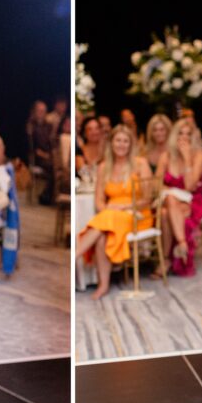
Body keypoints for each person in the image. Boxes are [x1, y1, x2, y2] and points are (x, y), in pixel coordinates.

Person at [75, 125, 153, 299]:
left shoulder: (141, 164)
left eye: (126, 141)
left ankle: (75, 255)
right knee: (102, 235)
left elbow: (147, 198)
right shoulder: (104, 167)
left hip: (138, 214)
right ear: (112, 143)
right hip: (111, 216)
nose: (121, 145)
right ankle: (103, 284)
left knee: (108, 219)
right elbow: (99, 201)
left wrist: (125, 207)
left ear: (131, 144)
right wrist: (108, 209)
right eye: (118, 140)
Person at [155, 117, 202, 276]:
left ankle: (165, 260)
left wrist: (186, 159)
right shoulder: (166, 156)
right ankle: (181, 244)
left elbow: (191, 186)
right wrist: (167, 190)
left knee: (164, 215)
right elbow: (155, 184)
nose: (184, 137)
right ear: (174, 136)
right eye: (180, 133)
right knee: (168, 204)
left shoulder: (198, 155)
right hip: (168, 201)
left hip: (192, 200)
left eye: (188, 134)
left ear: (193, 137)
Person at [27, 101, 55, 204]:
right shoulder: (31, 126)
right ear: (34, 112)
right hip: (37, 158)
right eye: (39, 111)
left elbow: (52, 143)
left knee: (57, 168)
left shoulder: (49, 126)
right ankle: (46, 196)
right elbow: (30, 145)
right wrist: (41, 154)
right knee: (53, 168)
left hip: (49, 156)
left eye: (44, 111)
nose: (42, 113)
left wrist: (50, 154)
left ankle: (48, 195)